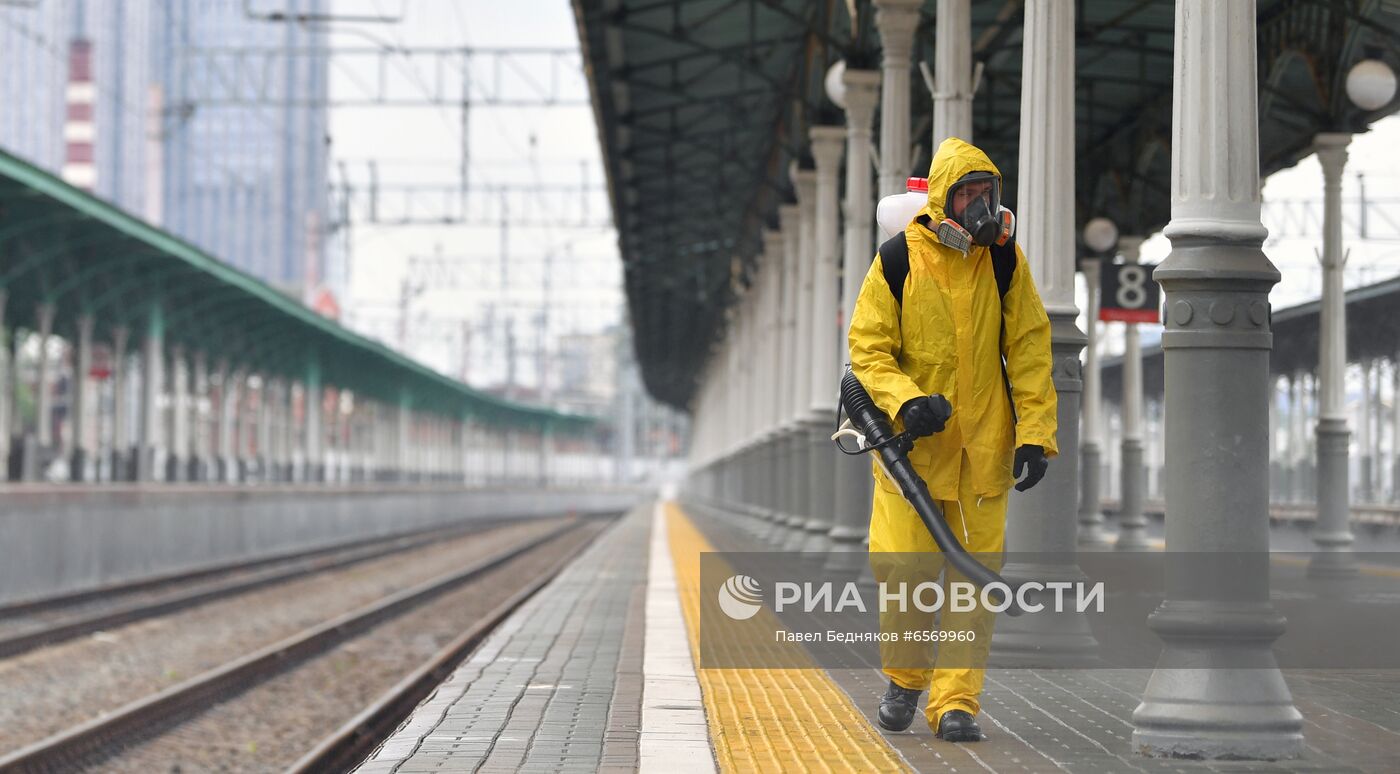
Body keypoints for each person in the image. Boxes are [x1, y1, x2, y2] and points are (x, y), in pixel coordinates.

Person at [847, 137, 1058, 742]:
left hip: (982, 455)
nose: (980, 207)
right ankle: (905, 680)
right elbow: (867, 349)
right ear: (943, 198)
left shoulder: (1004, 263)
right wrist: (906, 401)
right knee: (905, 572)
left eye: (987, 194)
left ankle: (957, 702)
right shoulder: (897, 260)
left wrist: (1035, 435)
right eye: (968, 194)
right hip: (909, 454)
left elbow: (1028, 349)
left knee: (975, 582)